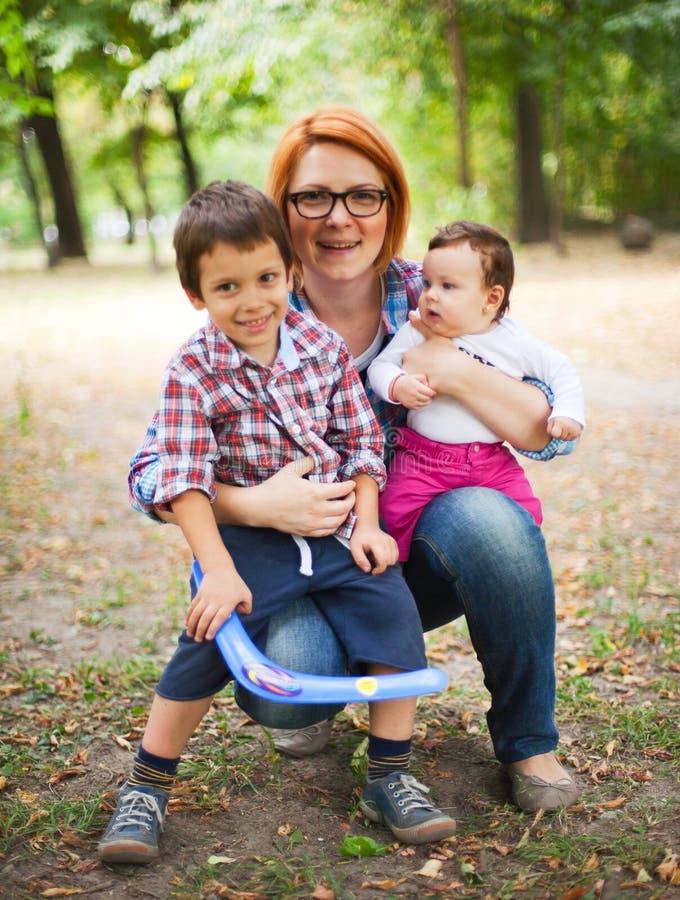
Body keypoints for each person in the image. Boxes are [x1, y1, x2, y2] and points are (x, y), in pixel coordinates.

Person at [128, 106, 580, 816]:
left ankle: (527, 741)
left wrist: (448, 367)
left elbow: (545, 434)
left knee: (493, 523)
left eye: (362, 196)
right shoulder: (250, 305)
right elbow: (151, 471)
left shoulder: (434, 293)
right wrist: (248, 505)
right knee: (293, 690)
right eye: (314, 197)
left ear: (390, 204)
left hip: (404, 546)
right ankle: (318, 683)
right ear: (284, 210)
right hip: (295, 554)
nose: (339, 218)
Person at [98, 180, 457, 865]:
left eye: (266, 277)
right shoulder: (194, 369)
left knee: (394, 613)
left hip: (332, 526)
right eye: (227, 287)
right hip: (249, 541)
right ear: (196, 295)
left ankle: (390, 774)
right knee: (208, 638)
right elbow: (182, 476)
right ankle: (146, 785)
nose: (253, 300)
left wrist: (372, 525)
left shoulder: (318, 346)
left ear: (290, 275)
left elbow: (360, 442)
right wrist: (220, 570)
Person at [368, 220, 584, 561]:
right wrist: (398, 385)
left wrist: (567, 413)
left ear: (491, 298)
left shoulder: (512, 340)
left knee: (522, 521)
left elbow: (561, 370)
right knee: (393, 513)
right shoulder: (417, 330)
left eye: (448, 286)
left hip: (489, 461)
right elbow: (380, 368)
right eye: (427, 283)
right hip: (422, 459)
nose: (430, 295)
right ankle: (400, 579)